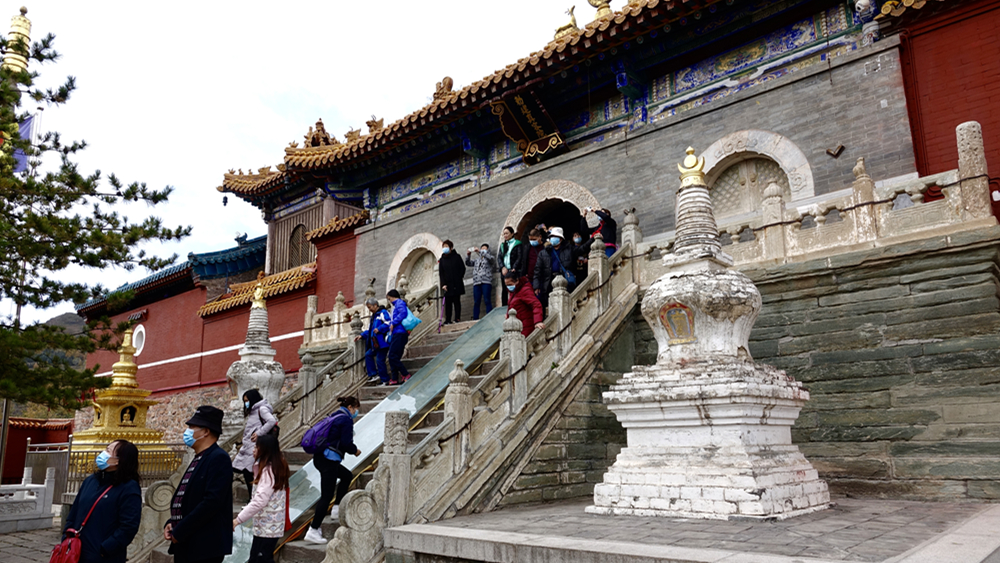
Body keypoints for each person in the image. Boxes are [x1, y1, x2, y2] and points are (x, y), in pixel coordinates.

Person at [165, 405, 233, 563]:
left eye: (192, 427)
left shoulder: (218, 458)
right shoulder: (199, 457)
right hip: (187, 542)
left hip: (204, 546)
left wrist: (181, 530)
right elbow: (189, 497)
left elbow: (211, 502)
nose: (188, 431)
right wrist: (172, 523)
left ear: (206, 431)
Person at [62, 440, 142, 563]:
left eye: (108, 451)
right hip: (76, 552)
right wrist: (66, 536)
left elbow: (129, 526)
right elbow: (74, 512)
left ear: (118, 460)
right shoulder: (90, 481)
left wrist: (106, 549)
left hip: (103, 556)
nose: (103, 453)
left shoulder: (129, 487)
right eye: (105, 449)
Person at [304, 396, 361, 544]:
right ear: (350, 407)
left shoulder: (334, 415)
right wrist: (355, 451)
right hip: (329, 460)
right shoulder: (346, 420)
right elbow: (346, 443)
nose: (356, 412)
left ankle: (336, 508)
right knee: (326, 496)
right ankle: (313, 529)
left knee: (346, 476)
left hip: (320, 458)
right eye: (356, 409)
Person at [233, 434, 289, 563]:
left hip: (268, 526)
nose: (253, 450)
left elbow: (260, 500)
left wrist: (238, 519)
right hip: (267, 525)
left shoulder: (268, 471)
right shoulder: (274, 467)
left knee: (260, 559)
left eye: (256, 447)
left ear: (264, 450)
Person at [233, 389, 276, 498]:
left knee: (250, 471)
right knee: (245, 470)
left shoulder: (262, 409)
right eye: (244, 401)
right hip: (248, 446)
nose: (246, 403)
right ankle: (252, 497)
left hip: (256, 445)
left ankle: (253, 498)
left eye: (247, 400)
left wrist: (259, 433)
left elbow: (271, 421)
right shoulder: (253, 411)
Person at [533, 227, 585, 303]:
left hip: (565, 281)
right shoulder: (544, 252)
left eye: (555, 237)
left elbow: (582, 249)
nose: (552, 238)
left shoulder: (569, 249)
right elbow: (537, 270)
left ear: (560, 239)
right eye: (551, 237)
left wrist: (592, 239)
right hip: (548, 283)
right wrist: (536, 286)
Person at [357, 297, 391, 385]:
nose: (369, 309)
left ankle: (385, 379)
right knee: (368, 355)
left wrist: (380, 329)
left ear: (375, 305)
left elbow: (389, 323)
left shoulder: (383, 313)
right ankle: (373, 374)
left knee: (380, 360)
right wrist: (362, 335)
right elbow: (370, 330)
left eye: (370, 307)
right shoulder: (374, 317)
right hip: (375, 343)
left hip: (382, 342)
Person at [504, 271, 544, 337]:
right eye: (507, 285)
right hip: (517, 327)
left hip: (525, 327)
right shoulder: (513, 292)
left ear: (517, 281)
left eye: (510, 284)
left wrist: (538, 321)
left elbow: (536, 304)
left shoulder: (525, 290)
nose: (508, 287)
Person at [385, 289, 412, 384]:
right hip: (397, 333)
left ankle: (405, 374)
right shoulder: (397, 305)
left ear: (392, 297)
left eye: (389, 299)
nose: (389, 301)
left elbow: (403, 313)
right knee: (393, 356)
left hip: (399, 333)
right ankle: (394, 378)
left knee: (392, 356)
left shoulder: (399, 303)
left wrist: (393, 322)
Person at [465, 243, 496, 320]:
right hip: (477, 282)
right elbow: (468, 263)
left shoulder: (490, 258)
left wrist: (479, 251)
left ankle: (490, 317)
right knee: (476, 301)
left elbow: (491, 259)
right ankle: (475, 318)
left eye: (485, 248)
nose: (483, 250)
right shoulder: (477, 260)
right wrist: (468, 255)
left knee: (487, 300)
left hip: (486, 281)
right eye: (482, 248)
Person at [438, 239, 466, 324]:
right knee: (448, 303)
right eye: (444, 247)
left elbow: (462, 268)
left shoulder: (457, 257)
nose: (445, 248)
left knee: (457, 302)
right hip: (447, 285)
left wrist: (458, 278)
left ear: (451, 248)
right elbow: (441, 273)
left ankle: (457, 318)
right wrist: (443, 284)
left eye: (446, 246)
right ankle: (448, 319)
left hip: (457, 283)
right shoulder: (442, 260)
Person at [497, 226, 525, 306]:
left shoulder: (517, 244)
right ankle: (505, 307)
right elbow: (499, 257)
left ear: (512, 234)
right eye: (504, 234)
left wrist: (514, 267)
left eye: (507, 233)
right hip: (505, 271)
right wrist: (502, 267)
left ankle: (517, 305)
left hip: (514, 270)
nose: (505, 235)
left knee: (516, 289)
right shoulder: (503, 245)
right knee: (504, 290)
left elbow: (519, 257)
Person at [524, 228, 545, 306]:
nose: (532, 241)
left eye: (534, 239)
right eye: (530, 239)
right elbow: (524, 262)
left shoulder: (545, 247)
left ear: (540, 237)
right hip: (529, 278)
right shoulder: (527, 248)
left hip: (541, 278)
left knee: (539, 301)